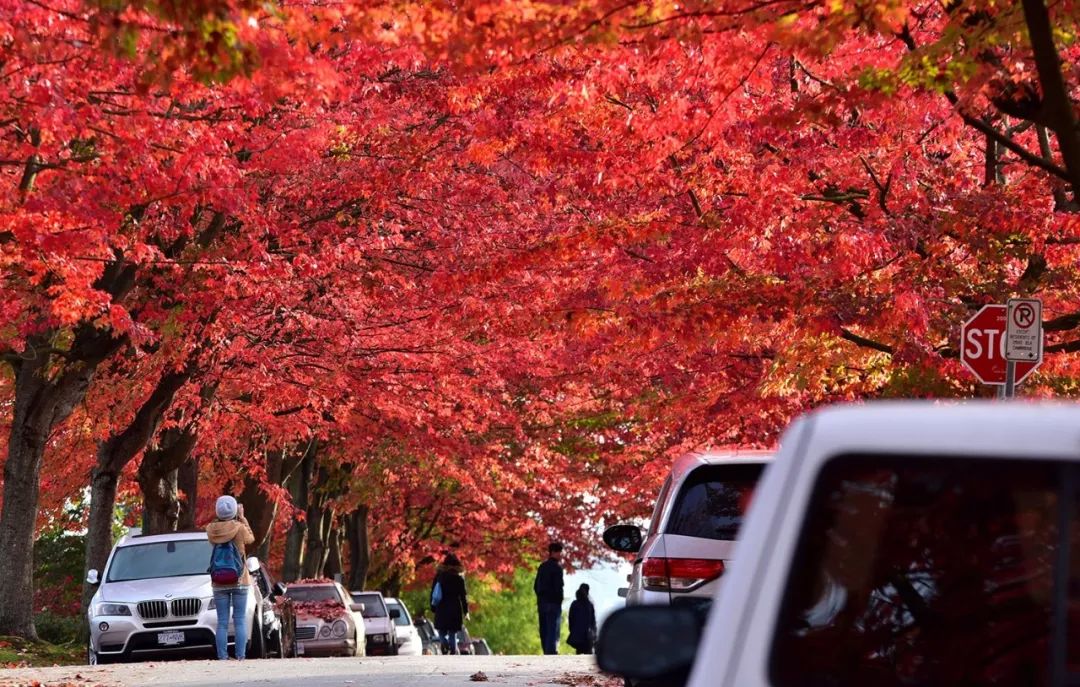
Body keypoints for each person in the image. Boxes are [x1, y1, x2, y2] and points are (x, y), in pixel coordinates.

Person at [206, 495, 255, 660]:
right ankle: (240, 656)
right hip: (240, 579)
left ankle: (222, 657)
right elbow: (251, 538)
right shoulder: (239, 528)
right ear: (234, 510)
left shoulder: (211, 530)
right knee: (239, 620)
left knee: (222, 622)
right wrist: (243, 518)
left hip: (219, 581)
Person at [431, 553, 469, 654]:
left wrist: (433, 607)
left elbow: (433, 592)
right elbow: (463, 596)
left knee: (441, 631)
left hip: (441, 607)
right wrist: (466, 611)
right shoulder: (459, 579)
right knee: (452, 633)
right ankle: (452, 650)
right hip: (454, 608)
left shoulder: (439, 577)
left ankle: (444, 642)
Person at [533, 542, 565, 655]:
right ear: (553, 552)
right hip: (553, 602)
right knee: (553, 626)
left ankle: (545, 649)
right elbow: (559, 586)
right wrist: (559, 599)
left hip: (542, 601)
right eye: (559, 552)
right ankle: (550, 651)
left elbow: (536, 585)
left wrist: (540, 596)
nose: (561, 555)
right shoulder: (557, 568)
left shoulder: (542, 567)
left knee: (544, 627)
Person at [567, 584, 597, 655]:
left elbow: (571, 619)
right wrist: (594, 634)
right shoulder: (589, 605)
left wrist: (572, 631)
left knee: (579, 653)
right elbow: (593, 622)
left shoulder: (574, 604)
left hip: (577, 636)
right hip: (587, 637)